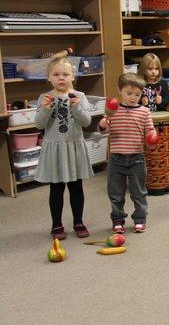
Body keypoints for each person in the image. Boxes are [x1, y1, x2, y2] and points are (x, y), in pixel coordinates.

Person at [34, 56, 94, 240]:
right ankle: (57, 225)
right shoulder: (45, 98)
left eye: (65, 74)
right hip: (55, 149)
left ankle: (78, 222)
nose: (61, 78)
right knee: (56, 189)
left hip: (74, 147)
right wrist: (45, 109)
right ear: (49, 78)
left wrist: (76, 109)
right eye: (56, 74)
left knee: (76, 188)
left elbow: (86, 122)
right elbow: (38, 124)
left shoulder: (80, 96)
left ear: (73, 77)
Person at [99, 73, 156, 234]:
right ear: (120, 90)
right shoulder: (113, 109)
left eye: (137, 94)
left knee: (139, 193)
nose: (133, 97)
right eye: (129, 93)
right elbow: (104, 129)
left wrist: (151, 137)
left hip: (137, 158)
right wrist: (103, 124)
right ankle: (117, 220)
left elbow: (149, 130)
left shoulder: (144, 111)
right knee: (116, 193)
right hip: (116, 159)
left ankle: (140, 219)